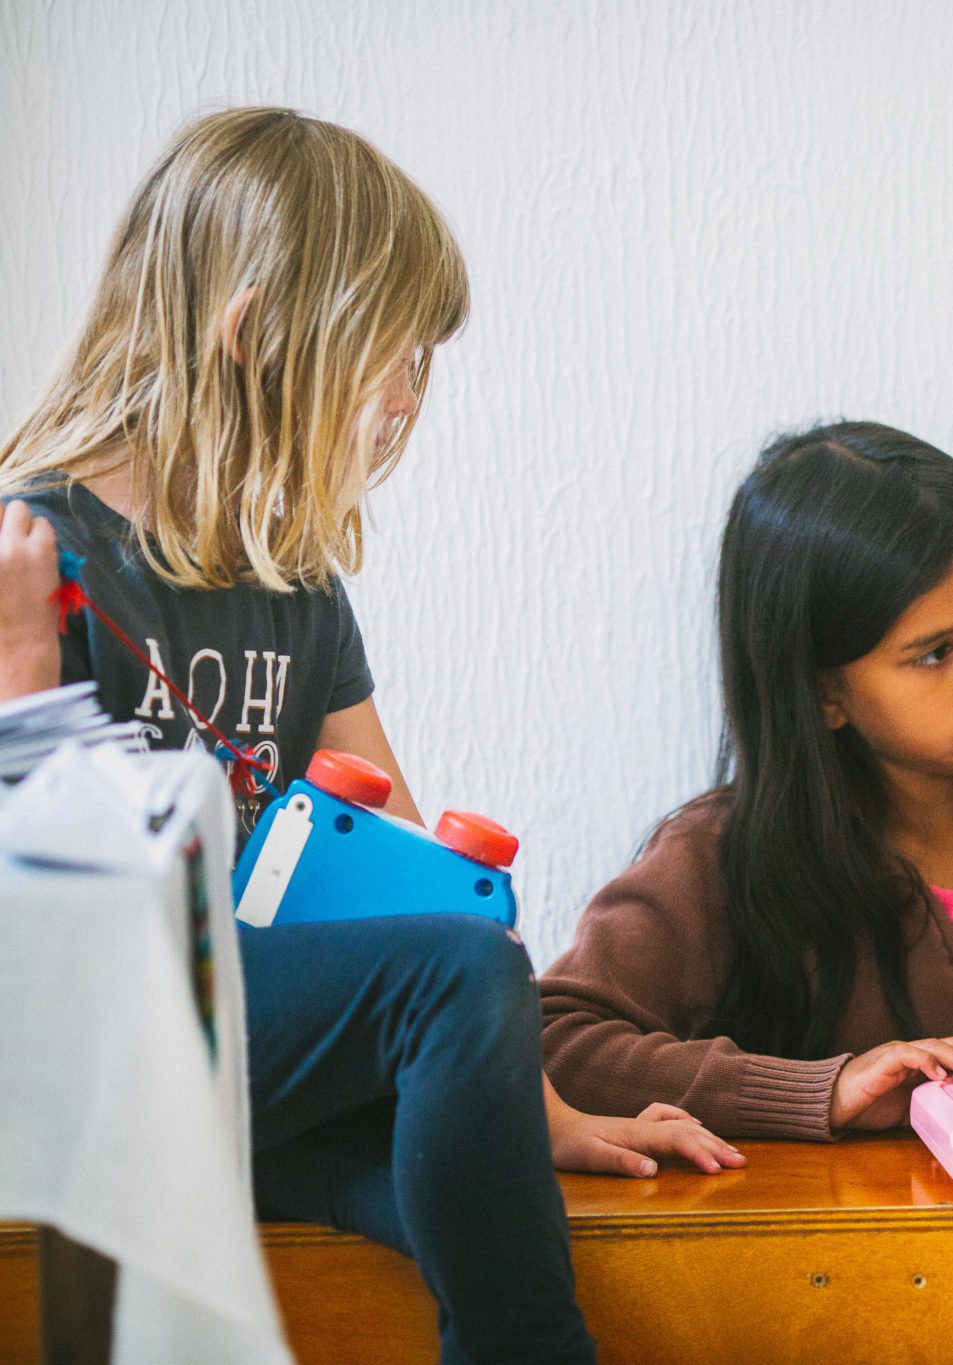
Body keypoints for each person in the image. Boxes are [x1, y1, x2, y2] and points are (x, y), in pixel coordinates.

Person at [0, 107, 739, 1364]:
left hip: (225, 1063)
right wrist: (21, 679)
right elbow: (33, 897)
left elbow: (395, 851)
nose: (407, 399)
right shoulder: (33, 548)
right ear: (251, 339)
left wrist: (524, 1091)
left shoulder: (292, 582)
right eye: (391, 359)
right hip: (76, 1044)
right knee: (457, 975)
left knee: (448, 1124)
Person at [541, 421, 953, 1138]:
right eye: (934, 652)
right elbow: (554, 1041)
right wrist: (814, 1090)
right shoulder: (722, 857)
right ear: (823, 692)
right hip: (834, 1250)